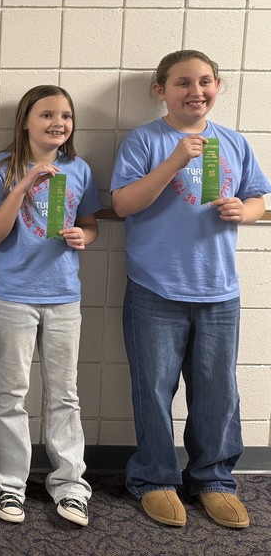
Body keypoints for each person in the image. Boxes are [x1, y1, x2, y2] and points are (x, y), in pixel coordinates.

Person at [110, 49, 269, 529]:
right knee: (155, 390)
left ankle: (214, 480)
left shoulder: (235, 142)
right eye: (182, 82)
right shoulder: (144, 141)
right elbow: (122, 205)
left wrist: (250, 211)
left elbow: (259, 195)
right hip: (155, 289)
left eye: (205, 81)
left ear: (217, 86)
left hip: (219, 290)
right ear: (161, 90)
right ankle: (155, 479)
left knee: (218, 391)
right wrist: (175, 161)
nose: (195, 91)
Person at [0, 85, 100, 528]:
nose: (57, 123)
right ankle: (8, 483)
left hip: (65, 295)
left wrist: (83, 238)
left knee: (64, 393)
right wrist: (24, 184)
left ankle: (70, 484)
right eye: (47, 114)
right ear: (26, 120)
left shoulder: (79, 169)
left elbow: (90, 225)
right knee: (12, 393)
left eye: (65, 116)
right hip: (13, 295)